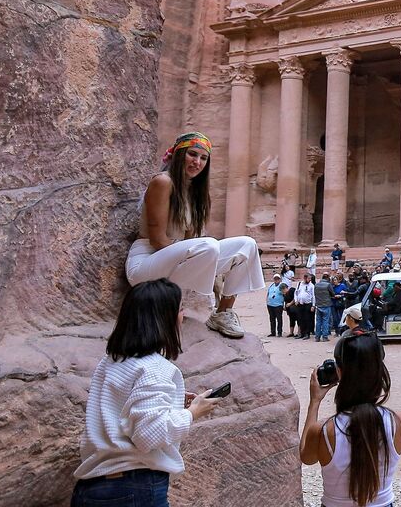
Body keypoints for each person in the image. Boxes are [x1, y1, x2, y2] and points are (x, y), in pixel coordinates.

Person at [71, 279, 218, 506]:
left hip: (91, 489)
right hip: (134, 487)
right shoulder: (155, 368)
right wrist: (193, 413)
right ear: (163, 318)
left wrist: (172, 403)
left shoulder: (111, 362)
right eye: (179, 309)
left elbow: (125, 414)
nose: (183, 315)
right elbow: (148, 434)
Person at [125, 132, 263, 338]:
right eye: (192, 154)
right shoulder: (163, 182)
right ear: (179, 154)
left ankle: (223, 312)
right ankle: (171, 307)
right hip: (147, 262)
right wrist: (200, 262)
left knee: (247, 244)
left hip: (178, 259)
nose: (197, 162)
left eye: (203, 158)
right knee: (208, 246)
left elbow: (190, 242)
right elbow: (157, 239)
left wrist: (203, 262)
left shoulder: (196, 193)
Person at [301, 332, 401, 507]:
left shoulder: (324, 430)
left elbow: (306, 456)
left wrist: (314, 402)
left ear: (339, 372)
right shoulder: (398, 421)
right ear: (380, 371)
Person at [292, 272, 315, 340]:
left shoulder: (311, 286)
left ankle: (307, 333)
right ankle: (301, 333)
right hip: (300, 304)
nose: (310, 280)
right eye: (308, 278)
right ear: (305, 278)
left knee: (307, 319)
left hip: (307, 304)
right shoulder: (299, 284)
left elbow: (313, 296)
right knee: (300, 319)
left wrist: (313, 305)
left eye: (310, 279)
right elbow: (296, 293)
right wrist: (296, 300)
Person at [314, 272, 334, 342]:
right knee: (325, 321)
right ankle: (325, 336)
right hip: (326, 305)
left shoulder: (316, 285)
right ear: (328, 278)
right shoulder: (328, 285)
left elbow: (315, 294)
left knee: (318, 321)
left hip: (319, 305)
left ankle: (317, 337)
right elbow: (333, 294)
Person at [266, 273, 286, 338]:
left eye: (277, 279)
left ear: (280, 279)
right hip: (270, 304)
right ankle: (273, 332)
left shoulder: (282, 285)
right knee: (272, 319)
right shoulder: (271, 285)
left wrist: (284, 304)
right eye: (275, 279)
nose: (276, 280)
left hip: (278, 305)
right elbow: (268, 293)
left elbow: (285, 294)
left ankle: (279, 332)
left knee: (279, 319)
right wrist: (267, 301)